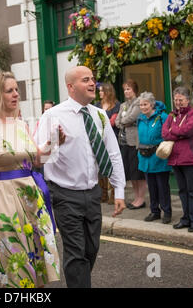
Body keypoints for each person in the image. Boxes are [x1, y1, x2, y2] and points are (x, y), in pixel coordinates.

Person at [0, 71, 64, 288]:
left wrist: (54, 143)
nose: (16, 94)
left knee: (34, 261)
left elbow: (37, 159)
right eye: (10, 90)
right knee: (9, 261)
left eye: (17, 89)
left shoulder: (21, 125)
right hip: (1, 200)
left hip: (30, 199)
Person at [36, 66, 126, 288]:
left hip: (93, 194)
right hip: (65, 195)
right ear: (70, 86)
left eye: (93, 79)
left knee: (91, 249)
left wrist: (120, 191)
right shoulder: (52, 115)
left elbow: (113, 153)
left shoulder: (99, 115)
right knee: (76, 253)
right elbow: (37, 158)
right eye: (85, 79)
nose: (92, 83)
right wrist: (55, 142)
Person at [162, 86, 193, 232]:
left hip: (189, 158)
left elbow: (187, 130)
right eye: (176, 100)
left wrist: (174, 131)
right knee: (182, 191)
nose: (178, 102)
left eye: (181, 100)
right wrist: (175, 133)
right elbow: (165, 133)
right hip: (175, 159)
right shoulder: (172, 115)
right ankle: (186, 219)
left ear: (188, 100)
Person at [137, 92, 172, 224]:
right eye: (141, 105)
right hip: (145, 157)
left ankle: (167, 212)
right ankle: (155, 211)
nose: (143, 107)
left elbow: (168, 135)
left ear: (152, 104)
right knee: (151, 187)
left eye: (145, 104)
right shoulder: (140, 118)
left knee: (162, 187)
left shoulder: (162, 117)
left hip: (159, 156)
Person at [115, 79, 147, 209]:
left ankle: (141, 199)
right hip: (123, 142)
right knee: (130, 173)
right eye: (125, 89)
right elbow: (117, 121)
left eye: (128, 89)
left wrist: (124, 121)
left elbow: (132, 118)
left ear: (134, 90)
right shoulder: (123, 105)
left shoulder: (138, 103)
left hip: (135, 142)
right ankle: (136, 197)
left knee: (137, 172)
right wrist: (124, 122)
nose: (126, 91)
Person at [95, 83, 120, 204]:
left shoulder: (116, 106)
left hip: (112, 139)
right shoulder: (97, 106)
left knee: (113, 166)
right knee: (101, 168)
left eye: (101, 91)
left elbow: (112, 123)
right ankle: (103, 193)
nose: (99, 93)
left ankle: (114, 194)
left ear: (108, 92)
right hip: (99, 140)